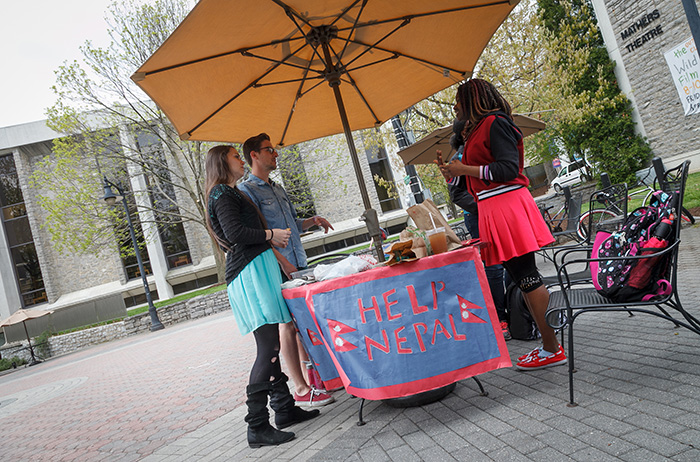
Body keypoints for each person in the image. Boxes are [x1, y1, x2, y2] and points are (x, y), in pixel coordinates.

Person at [438, 79, 566, 370]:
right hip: (496, 208)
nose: (455, 107)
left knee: (526, 275)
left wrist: (464, 168)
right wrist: (454, 174)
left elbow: (509, 168)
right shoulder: (477, 130)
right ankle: (550, 346)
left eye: (458, 101)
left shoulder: (495, 123)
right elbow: (482, 174)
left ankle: (552, 348)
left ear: (472, 100)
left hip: (506, 206)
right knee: (523, 276)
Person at [205, 145, 320, 448]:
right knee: (267, 346)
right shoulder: (221, 194)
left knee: (271, 343)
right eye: (234, 156)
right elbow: (234, 233)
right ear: (221, 163)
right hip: (249, 274)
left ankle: (283, 410)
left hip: (257, 271)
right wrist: (271, 235)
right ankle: (256, 426)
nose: (240, 160)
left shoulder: (230, 193)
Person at [239, 133, 335, 406]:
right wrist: (284, 263)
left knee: (303, 321)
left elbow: (293, 223)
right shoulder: (248, 192)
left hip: (298, 260)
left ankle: (314, 379)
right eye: (269, 150)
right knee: (288, 323)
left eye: (275, 149)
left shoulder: (278, 188)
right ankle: (301, 388)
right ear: (254, 155)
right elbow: (260, 236)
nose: (276, 154)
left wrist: (312, 221)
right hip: (279, 267)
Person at [445, 119, 511, 341]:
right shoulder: (458, 158)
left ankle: (519, 309)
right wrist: (482, 206)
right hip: (478, 218)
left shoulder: (485, 148)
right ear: (464, 132)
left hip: (500, 212)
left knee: (513, 261)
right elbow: (456, 194)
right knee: (493, 268)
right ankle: (500, 319)